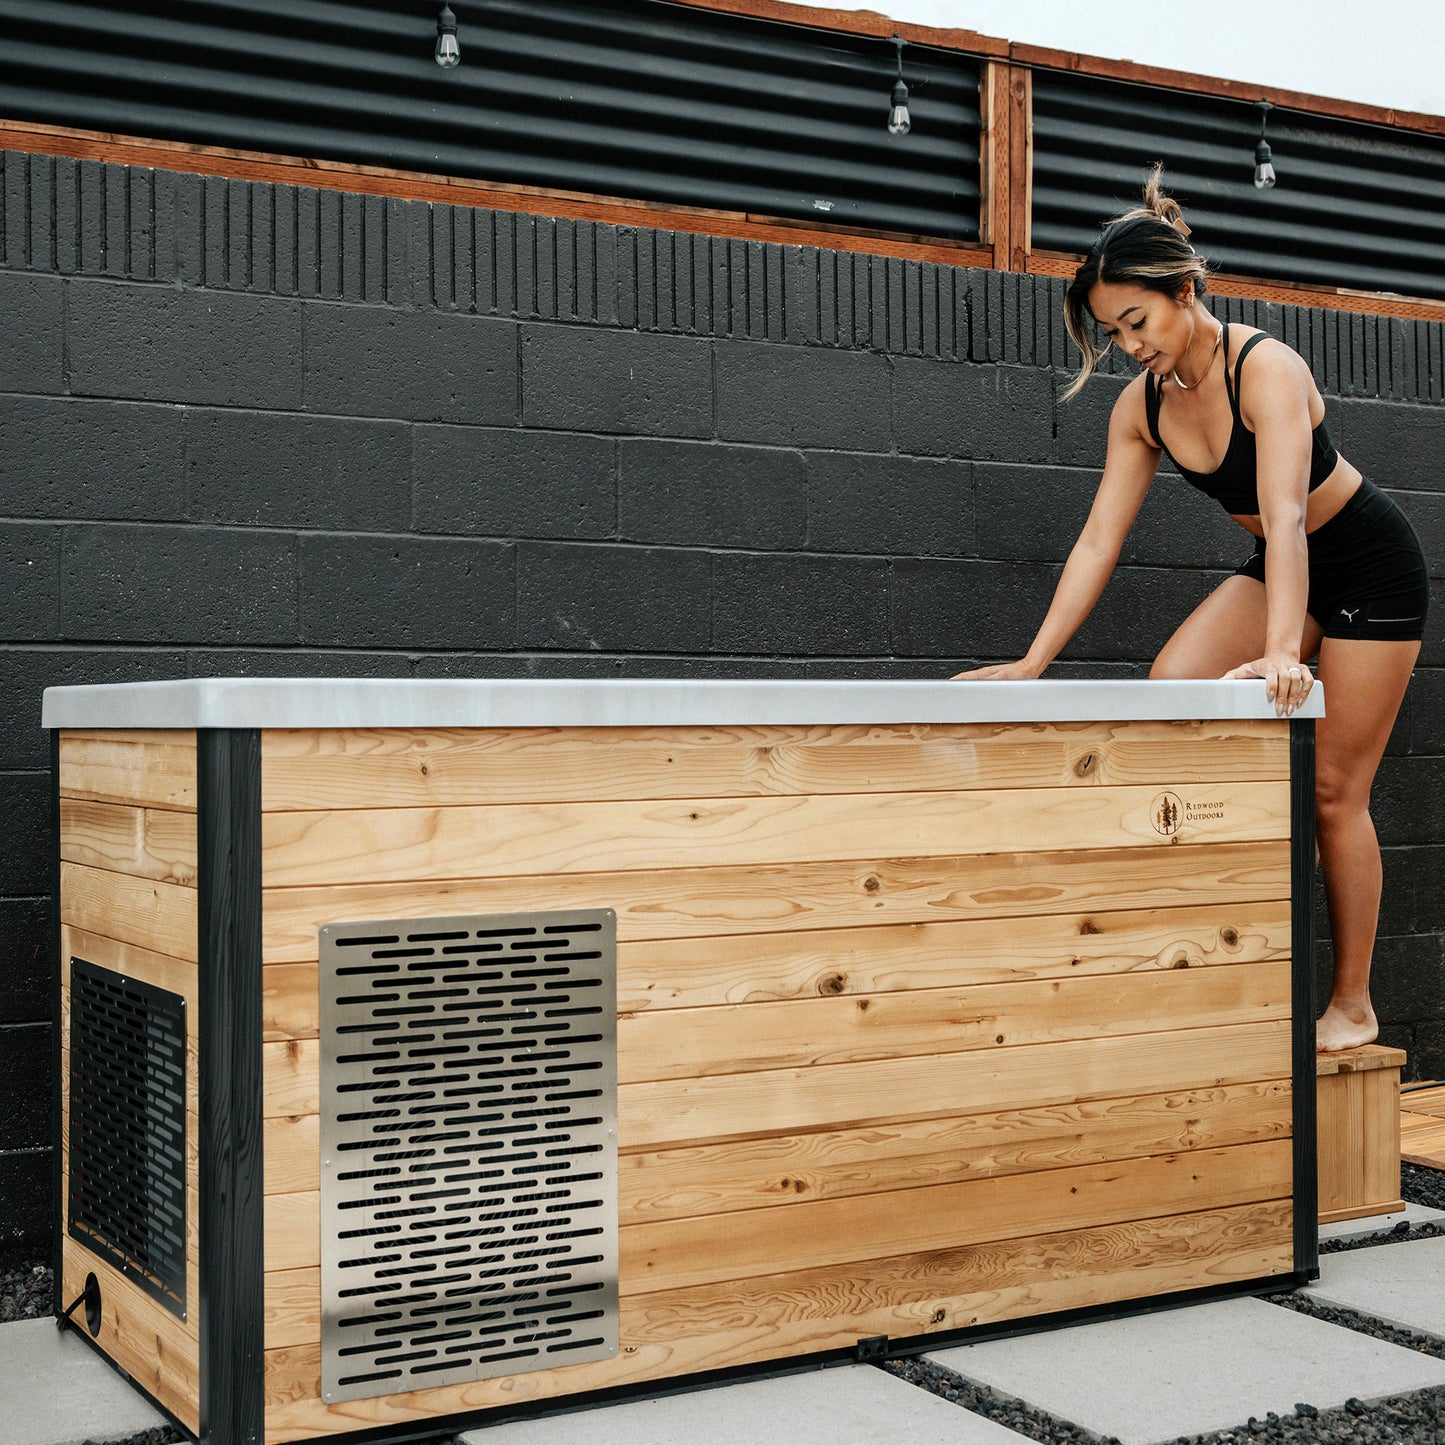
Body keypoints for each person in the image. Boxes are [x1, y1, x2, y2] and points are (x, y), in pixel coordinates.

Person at [954, 166, 1428, 1054]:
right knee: (1177, 681)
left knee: (1334, 790)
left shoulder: (1265, 368)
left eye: (1137, 321)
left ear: (1183, 291)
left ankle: (1352, 1002)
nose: (1128, 344)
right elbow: (1098, 540)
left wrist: (1283, 651)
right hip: (1282, 563)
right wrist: (1031, 663)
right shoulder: (1141, 408)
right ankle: (1231, 942)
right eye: (1112, 331)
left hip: (1366, 565)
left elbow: (1286, 517)